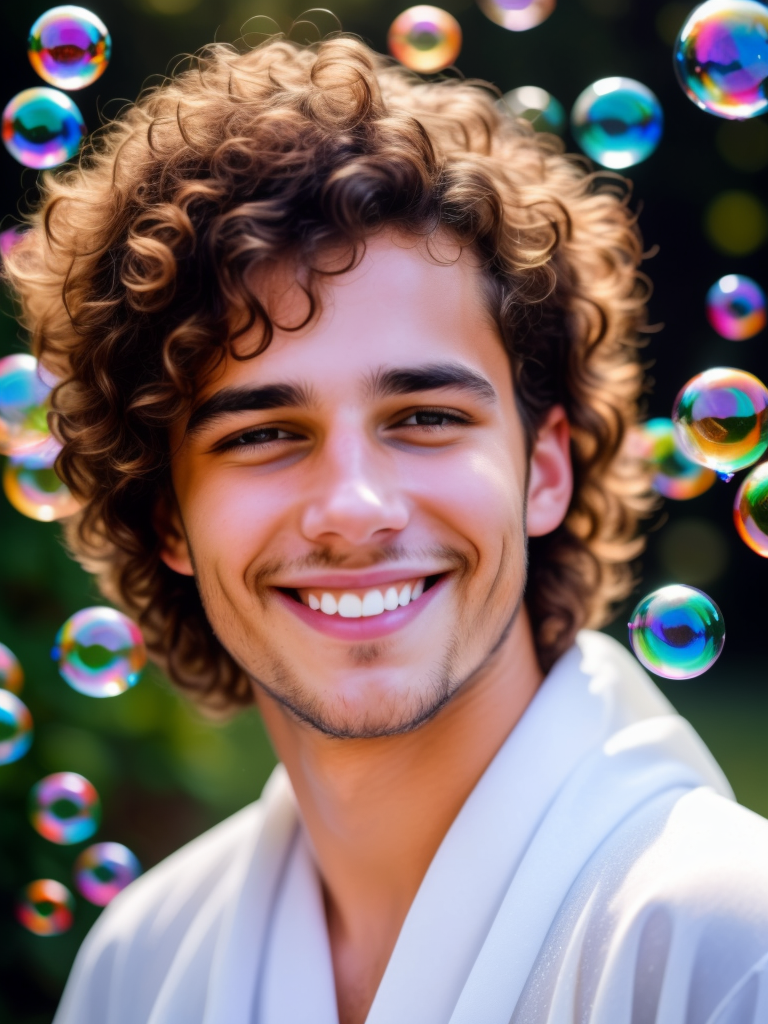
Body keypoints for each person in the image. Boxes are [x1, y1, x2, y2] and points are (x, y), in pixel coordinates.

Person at [6, 32, 768, 1024]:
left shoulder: (728, 946)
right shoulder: (140, 968)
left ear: (544, 471)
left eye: (425, 419)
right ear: (169, 516)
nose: (355, 508)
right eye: (267, 432)